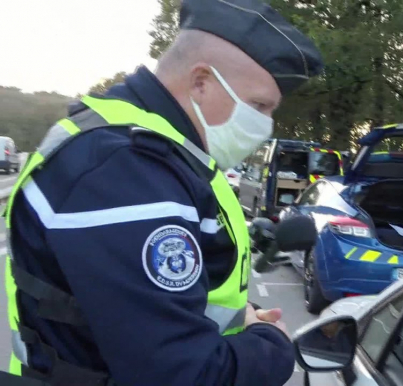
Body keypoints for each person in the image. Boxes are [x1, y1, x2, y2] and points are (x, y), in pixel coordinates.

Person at [3, 0, 323, 385]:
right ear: (201, 82)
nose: (265, 125)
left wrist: (244, 318)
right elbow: (181, 375)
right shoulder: (125, 173)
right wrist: (272, 345)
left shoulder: (164, 155)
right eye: (258, 105)